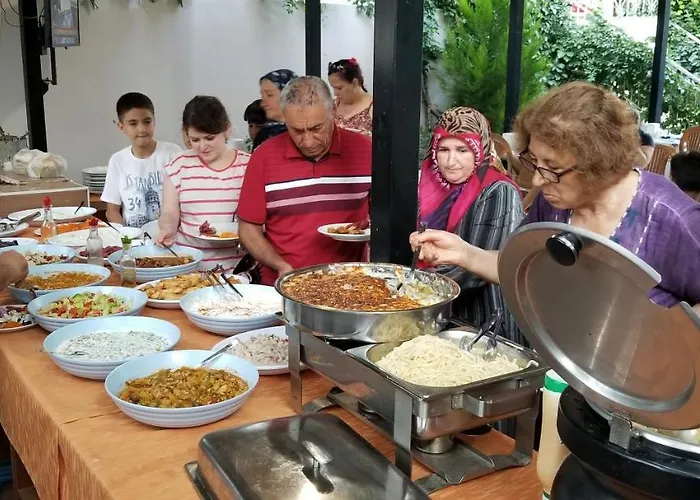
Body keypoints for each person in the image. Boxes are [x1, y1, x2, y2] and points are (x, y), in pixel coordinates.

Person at [411, 81, 700, 314]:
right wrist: (463, 253)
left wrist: (662, 344)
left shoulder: (673, 218)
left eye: (552, 167)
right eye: (535, 162)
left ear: (599, 165)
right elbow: (521, 267)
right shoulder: (554, 200)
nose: (538, 181)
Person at [237, 76, 372, 286]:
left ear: (333, 111)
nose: (307, 141)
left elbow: (385, 215)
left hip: (350, 282)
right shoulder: (264, 156)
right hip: (284, 284)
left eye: (317, 128)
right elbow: (248, 228)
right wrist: (279, 265)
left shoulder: (365, 150)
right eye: (297, 131)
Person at [419, 107, 524, 343]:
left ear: (480, 150)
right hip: (446, 314)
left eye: (462, 150)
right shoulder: (432, 187)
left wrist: (414, 287)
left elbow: (475, 273)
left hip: (486, 323)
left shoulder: (498, 191)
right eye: (443, 149)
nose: (450, 161)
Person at [157, 95, 250, 271]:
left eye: (209, 138)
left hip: (236, 268)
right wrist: (167, 228)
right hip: (188, 265)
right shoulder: (178, 165)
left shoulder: (248, 166)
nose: (202, 146)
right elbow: (169, 212)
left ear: (227, 130)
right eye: (195, 140)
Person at [101, 92, 182, 228]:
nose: (142, 129)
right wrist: (126, 235)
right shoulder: (117, 160)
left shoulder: (173, 153)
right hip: (133, 237)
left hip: (170, 235)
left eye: (147, 122)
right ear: (121, 126)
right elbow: (112, 211)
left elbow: (186, 203)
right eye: (133, 124)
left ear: (154, 121)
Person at [253, 69, 298, 150]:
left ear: (289, 96)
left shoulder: (307, 133)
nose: (263, 103)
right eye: (262, 96)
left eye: (269, 95)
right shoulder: (266, 134)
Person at [328, 58, 373, 136]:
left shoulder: (372, 107)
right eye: (333, 88)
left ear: (355, 82)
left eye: (339, 88)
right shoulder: (333, 105)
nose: (335, 93)